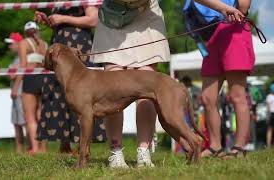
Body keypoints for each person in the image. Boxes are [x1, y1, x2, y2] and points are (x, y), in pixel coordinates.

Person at [92, 0, 243, 168]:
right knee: (113, 86)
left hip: (146, 19)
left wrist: (222, 7)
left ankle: (144, 151)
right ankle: (116, 152)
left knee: (147, 85)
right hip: (113, 19)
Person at [34, 0, 106, 154]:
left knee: (81, 96)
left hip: (78, 47)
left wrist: (63, 18)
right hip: (59, 46)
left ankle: (83, 146)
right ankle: (64, 145)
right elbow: (60, 23)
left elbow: (94, 19)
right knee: (60, 93)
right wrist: (48, 20)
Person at [199, 0, 254, 158]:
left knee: (237, 96)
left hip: (235, 29)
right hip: (214, 35)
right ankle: (215, 147)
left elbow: (243, 6)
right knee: (207, 98)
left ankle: (239, 148)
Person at [16, 21, 48, 154]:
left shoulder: (24, 43)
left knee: (30, 117)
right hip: (43, 79)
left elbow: (23, 65)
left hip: (30, 78)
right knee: (41, 116)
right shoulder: (45, 44)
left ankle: (34, 148)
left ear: (26, 32)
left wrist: (16, 86)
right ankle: (43, 148)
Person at [5, 32, 26, 153]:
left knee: (24, 122)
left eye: (11, 43)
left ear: (19, 44)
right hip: (16, 94)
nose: (10, 46)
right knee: (16, 123)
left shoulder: (22, 59)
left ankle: (30, 149)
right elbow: (11, 75)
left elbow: (12, 75)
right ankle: (19, 151)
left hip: (20, 93)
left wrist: (15, 88)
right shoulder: (16, 59)